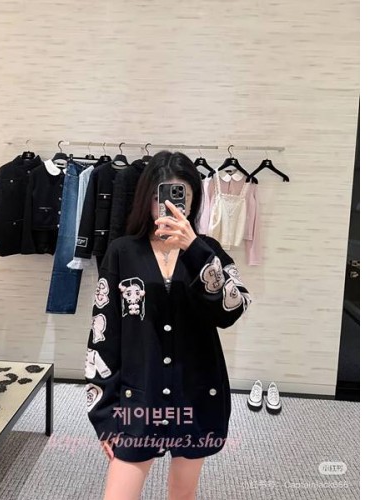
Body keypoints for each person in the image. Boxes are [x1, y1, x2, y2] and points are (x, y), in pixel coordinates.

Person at [84, 151, 252, 500]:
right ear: (147, 200)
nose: (173, 207)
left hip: (196, 394)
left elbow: (232, 310)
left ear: (194, 201)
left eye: (182, 198)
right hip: (139, 397)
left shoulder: (208, 252)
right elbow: (102, 336)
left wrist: (195, 250)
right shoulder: (122, 252)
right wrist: (104, 414)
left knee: (182, 494)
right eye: (162, 197)